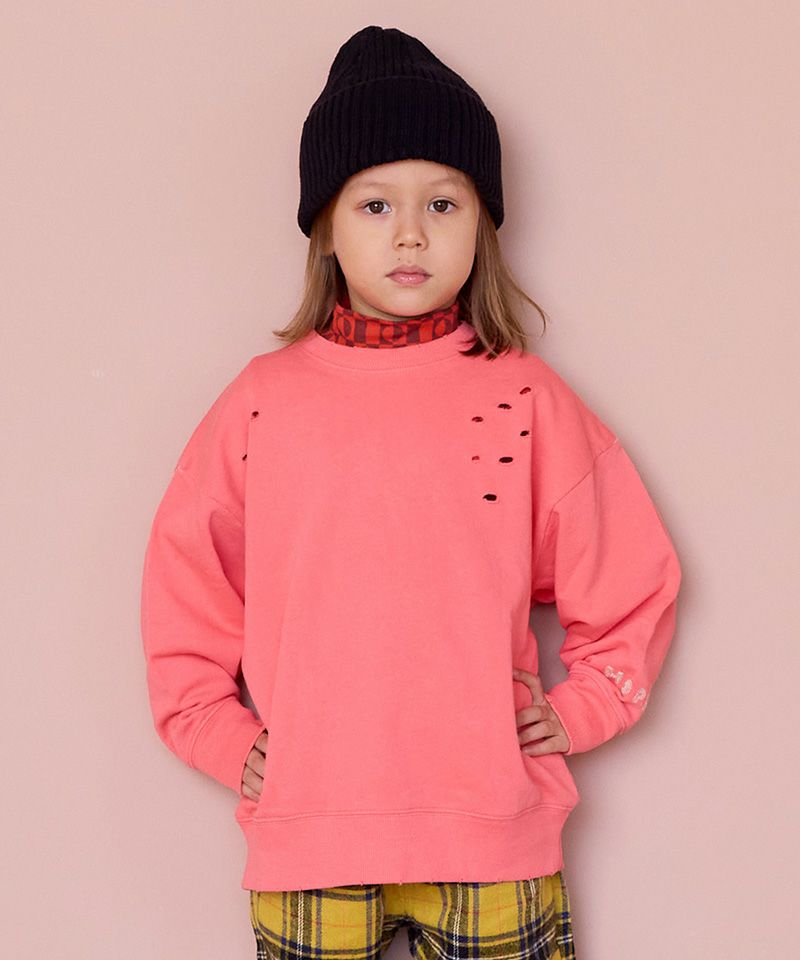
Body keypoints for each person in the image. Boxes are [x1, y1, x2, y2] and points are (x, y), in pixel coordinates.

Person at [140, 25, 682, 960]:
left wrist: (582, 708)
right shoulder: (260, 405)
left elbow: (630, 578)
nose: (410, 233)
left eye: (442, 201)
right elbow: (186, 591)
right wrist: (219, 736)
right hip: (310, 838)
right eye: (374, 203)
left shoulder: (527, 400)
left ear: (482, 224)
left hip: (494, 833)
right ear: (326, 227)